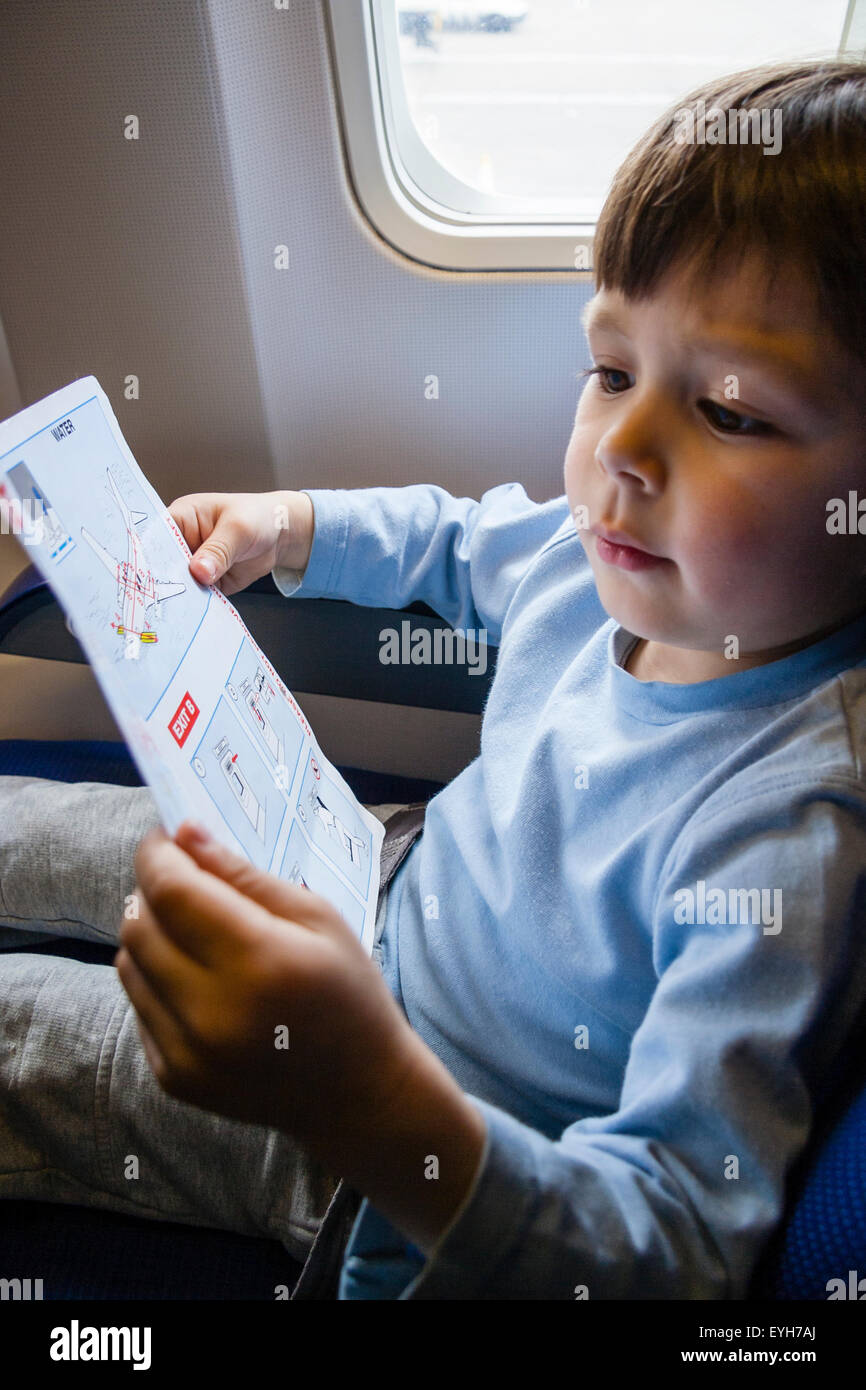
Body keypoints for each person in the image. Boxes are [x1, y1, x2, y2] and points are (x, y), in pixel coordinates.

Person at [3, 55, 866, 1300]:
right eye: (611, 370)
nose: (618, 447)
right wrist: (289, 524)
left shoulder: (782, 835)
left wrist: (368, 1098)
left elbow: (670, 1250)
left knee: (33, 1039)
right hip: (369, 866)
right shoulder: (605, 564)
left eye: (727, 412)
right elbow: (456, 542)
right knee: (66, 831)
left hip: (368, 1135)